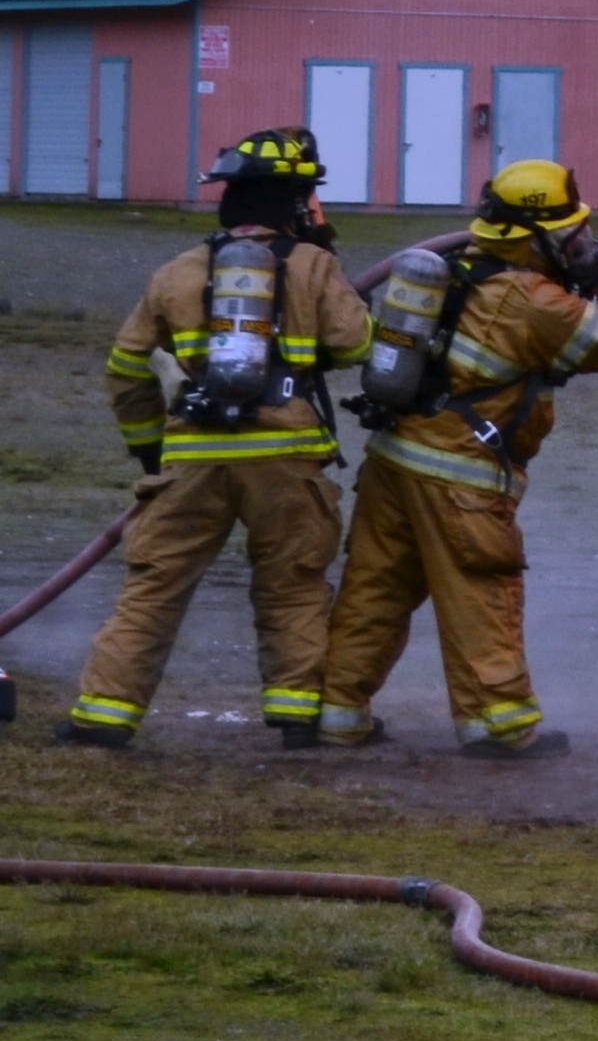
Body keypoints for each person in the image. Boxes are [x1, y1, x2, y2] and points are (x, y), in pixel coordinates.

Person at [313, 160, 598, 759]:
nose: (581, 243)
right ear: (537, 234)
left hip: (395, 461)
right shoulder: (527, 298)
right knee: (482, 593)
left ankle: (340, 714)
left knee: (375, 590)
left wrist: (585, 280)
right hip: (458, 479)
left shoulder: (469, 270)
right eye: (572, 233)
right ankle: (499, 726)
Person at [65, 128, 374, 749]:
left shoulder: (177, 272)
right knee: (292, 585)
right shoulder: (313, 265)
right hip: (285, 458)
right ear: (295, 203)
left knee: (154, 585)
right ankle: (297, 714)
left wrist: (151, 449)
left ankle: (104, 714)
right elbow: (356, 344)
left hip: (191, 456)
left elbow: (126, 368)